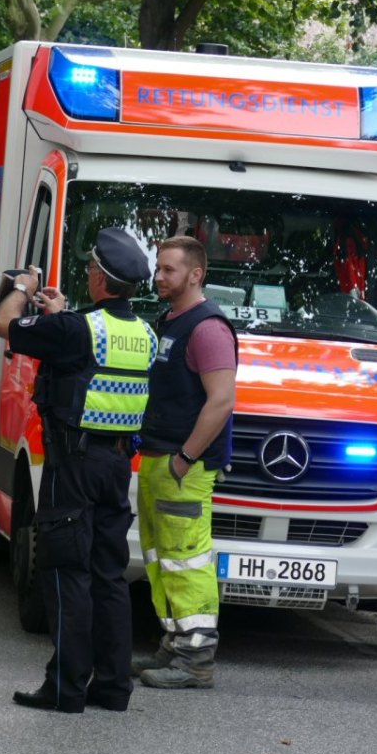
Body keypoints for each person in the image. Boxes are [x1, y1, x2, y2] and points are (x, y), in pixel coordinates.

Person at [0, 227, 157, 714]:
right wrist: (61, 313)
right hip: (116, 465)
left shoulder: (76, 329)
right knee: (109, 575)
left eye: (90, 268)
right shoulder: (143, 333)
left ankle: (65, 688)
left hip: (74, 462)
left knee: (66, 571)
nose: (86, 273)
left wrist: (22, 288)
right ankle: (111, 686)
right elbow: (89, 352)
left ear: (102, 280)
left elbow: (5, 325)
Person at [134, 235, 237, 689]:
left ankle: (195, 660)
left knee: (188, 560)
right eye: (159, 268)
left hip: (182, 469)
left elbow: (221, 402)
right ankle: (175, 646)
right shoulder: (172, 320)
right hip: (159, 461)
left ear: (195, 275)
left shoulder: (207, 328)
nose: (159, 276)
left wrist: (183, 459)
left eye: (169, 270)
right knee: (163, 560)